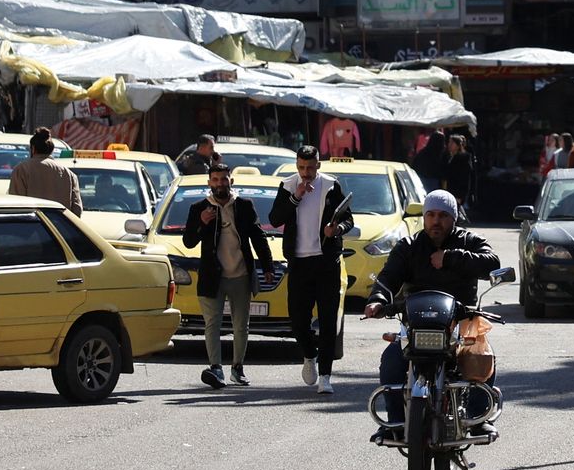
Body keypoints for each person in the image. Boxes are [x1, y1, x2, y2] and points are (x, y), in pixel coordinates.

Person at [364, 189, 501, 443]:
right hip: (417, 323)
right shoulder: (409, 246)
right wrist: (378, 300)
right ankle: (394, 421)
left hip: (460, 323)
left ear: (453, 218)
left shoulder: (469, 241)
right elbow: (388, 277)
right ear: (424, 217)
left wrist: (451, 258)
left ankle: (480, 419)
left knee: (481, 356)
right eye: (430, 215)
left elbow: (492, 262)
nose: (436, 221)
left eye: (442, 215)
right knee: (392, 360)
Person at [269, 146, 355, 394]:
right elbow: (275, 219)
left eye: (310, 167)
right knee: (298, 320)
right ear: (297, 166)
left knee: (328, 321)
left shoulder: (331, 185)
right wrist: (295, 197)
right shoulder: (287, 186)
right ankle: (309, 355)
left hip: (327, 262)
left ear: (318, 165)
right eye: (301, 167)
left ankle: (326, 377)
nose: (305, 173)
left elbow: (349, 219)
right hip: (299, 263)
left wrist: (336, 229)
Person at [183, 164, 274, 389]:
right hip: (212, 276)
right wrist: (202, 222)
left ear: (231, 181)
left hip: (241, 274)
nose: (220, 184)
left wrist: (267, 266)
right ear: (209, 183)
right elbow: (188, 242)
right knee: (212, 324)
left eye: (224, 179)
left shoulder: (244, 205)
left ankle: (237, 368)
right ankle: (216, 368)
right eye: (215, 180)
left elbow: (258, 236)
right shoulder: (199, 208)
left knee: (241, 325)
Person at [9, 127, 83, 215]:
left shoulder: (21, 170)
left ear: (33, 148)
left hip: (31, 226)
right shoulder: (68, 174)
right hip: (60, 226)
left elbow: (16, 205)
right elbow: (77, 209)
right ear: (51, 150)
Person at [443, 134, 475, 214]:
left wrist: (460, 195)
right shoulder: (449, 157)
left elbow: (464, 177)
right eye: (449, 143)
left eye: (452, 143)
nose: (449, 145)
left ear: (457, 145)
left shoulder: (462, 159)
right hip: (449, 189)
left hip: (457, 191)